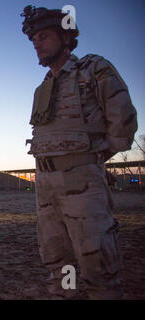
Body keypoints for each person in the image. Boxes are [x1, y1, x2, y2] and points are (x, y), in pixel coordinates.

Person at [20, 5, 137, 299]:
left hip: (83, 183)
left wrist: (92, 158)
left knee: (97, 265)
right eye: (33, 38)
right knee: (59, 264)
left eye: (43, 36)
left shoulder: (93, 69)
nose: (36, 43)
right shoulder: (43, 86)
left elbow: (122, 119)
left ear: (66, 37)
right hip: (45, 187)